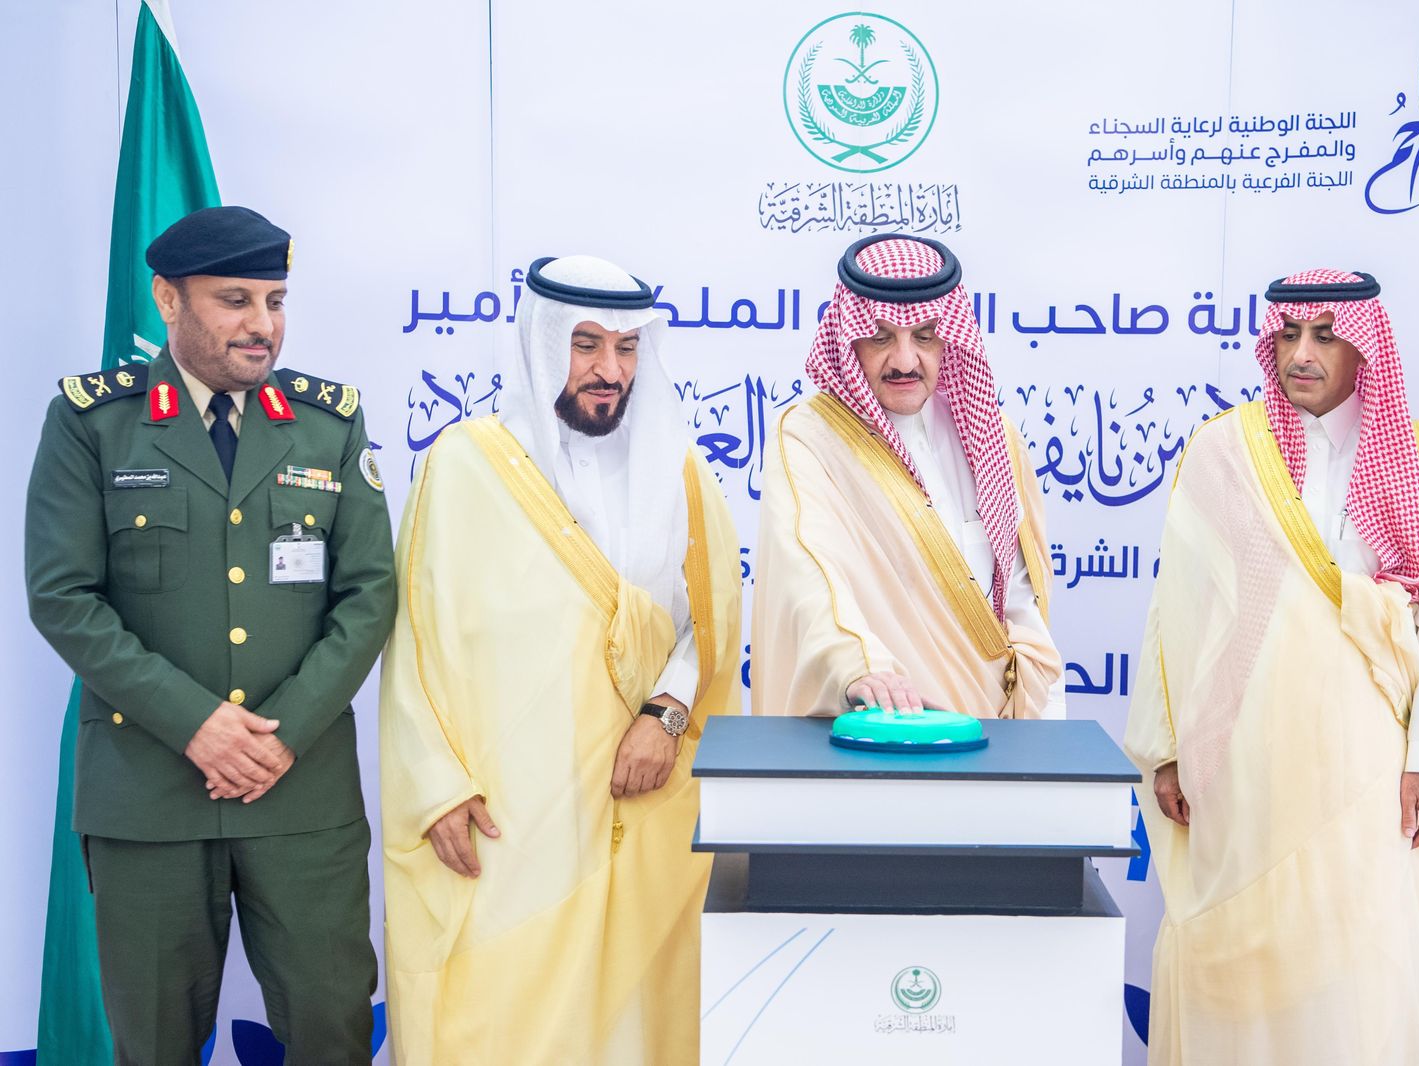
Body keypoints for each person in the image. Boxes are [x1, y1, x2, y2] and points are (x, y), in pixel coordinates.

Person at [25, 205, 397, 1063]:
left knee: (333, 1031)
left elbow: (369, 593)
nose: (262, 324)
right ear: (168, 299)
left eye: (275, 300)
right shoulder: (94, 423)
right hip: (147, 796)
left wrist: (282, 734)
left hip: (299, 799)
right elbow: (64, 596)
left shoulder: (328, 423)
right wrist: (196, 724)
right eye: (235, 300)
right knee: (154, 1042)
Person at [380, 254, 742, 1064]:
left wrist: (667, 715)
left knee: (634, 1020)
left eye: (627, 347)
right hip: (508, 813)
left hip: (640, 796)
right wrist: (435, 786)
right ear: (544, 345)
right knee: (502, 1018)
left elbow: (712, 622)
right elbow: (414, 639)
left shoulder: (680, 471)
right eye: (586, 345)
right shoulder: (464, 464)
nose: (610, 370)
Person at [1124, 269, 1419, 1064]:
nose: (1301, 354)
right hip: (1242, 763)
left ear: (1365, 350)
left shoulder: (1416, 455)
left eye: (1324, 336)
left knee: (1360, 964)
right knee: (1242, 963)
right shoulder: (1224, 451)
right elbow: (1175, 608)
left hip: (1366, 764)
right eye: (1287, 334)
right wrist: (1168, 747)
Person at [752, 234, 1064, 718]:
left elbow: (1022, 599)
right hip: (883, 724)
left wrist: (1042, 716)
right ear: (849, 339)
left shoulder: (991, 433)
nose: (903, 361)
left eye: (924, 336)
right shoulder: (809, 438)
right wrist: (858, 665)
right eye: (880, 337)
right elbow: (808, 567)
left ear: (949, 339)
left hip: (1000, 728)